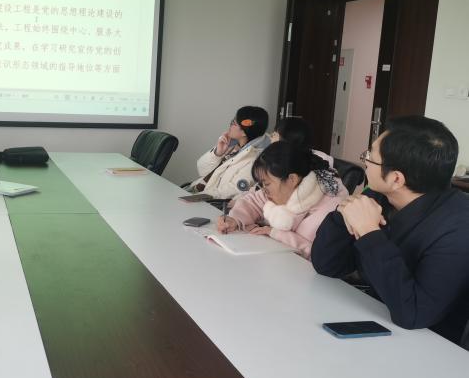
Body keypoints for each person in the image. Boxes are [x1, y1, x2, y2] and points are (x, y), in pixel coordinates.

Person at [311, 116, 469, 344]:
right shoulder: (380, 195)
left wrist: (369, 232)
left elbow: (413, 314)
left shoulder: (458, 227)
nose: (365, 162)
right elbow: (327, 264)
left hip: (430, 347)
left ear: (396, 179)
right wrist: (345, 209)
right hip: (374, 318)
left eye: (370, 157)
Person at [217, 141, 346, 259]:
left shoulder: (331, 207)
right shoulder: (287, 188)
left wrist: (275, 234)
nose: (263, 191)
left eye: (267, 184)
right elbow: (253, 201)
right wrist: (235, 219)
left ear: (292, 179)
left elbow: (318, 256)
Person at [188, 106, 269, 199]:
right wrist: (217, 153)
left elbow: (233, 189)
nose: (230, 125)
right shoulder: (232, 145)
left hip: (208, 201)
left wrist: (196, 197)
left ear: (244, 132)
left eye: (233, 123)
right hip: (196, 192)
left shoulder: (255, 159)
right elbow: (202, 170)